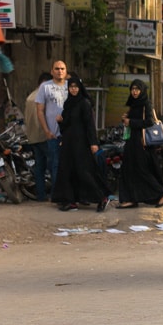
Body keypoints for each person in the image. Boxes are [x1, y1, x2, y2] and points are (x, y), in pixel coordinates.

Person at [51, 77, 108, 212]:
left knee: (84, 171)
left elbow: (89, 125)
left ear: (80, 88)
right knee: (68, 171)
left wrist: (93, 143)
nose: (74, 89)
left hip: (81, 143)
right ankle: (71, 201)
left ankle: (102, 198)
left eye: (76, 87)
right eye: (71, 87)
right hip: (68, 143)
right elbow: (66, 126)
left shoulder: (84, 103)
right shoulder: (68, 104)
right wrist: (60, 121)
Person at [118, 80, 163, 209]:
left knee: (141, 171)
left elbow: (149, 122)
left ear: (142, 90)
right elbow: (133, 120)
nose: (134, 92)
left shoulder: (145, 103)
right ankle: (131, 199)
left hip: (141, 143)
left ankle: (162, 193)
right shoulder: (134, 103)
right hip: (132, 141)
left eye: (137, 89)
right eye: (132, 89)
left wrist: (131, 122)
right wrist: (126, 118)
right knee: (128, 170)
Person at [32, 61, 69, 201]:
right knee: (55, 165)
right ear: (52, 71)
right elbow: (40, 111)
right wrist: (46, 131)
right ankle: (56, 196)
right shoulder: (45, 87)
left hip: (69, 135)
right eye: (57, 69)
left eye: (62, 69)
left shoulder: (70, 86)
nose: (60, 71)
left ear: (66, 71)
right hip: (53, 135)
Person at [22, 71, 52, 196]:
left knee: (39, 167)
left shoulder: (30, 97)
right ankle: (55, 195)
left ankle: (41, 195)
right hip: (44, 136)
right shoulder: (44, 97)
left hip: (33, 137)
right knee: (53, 166)